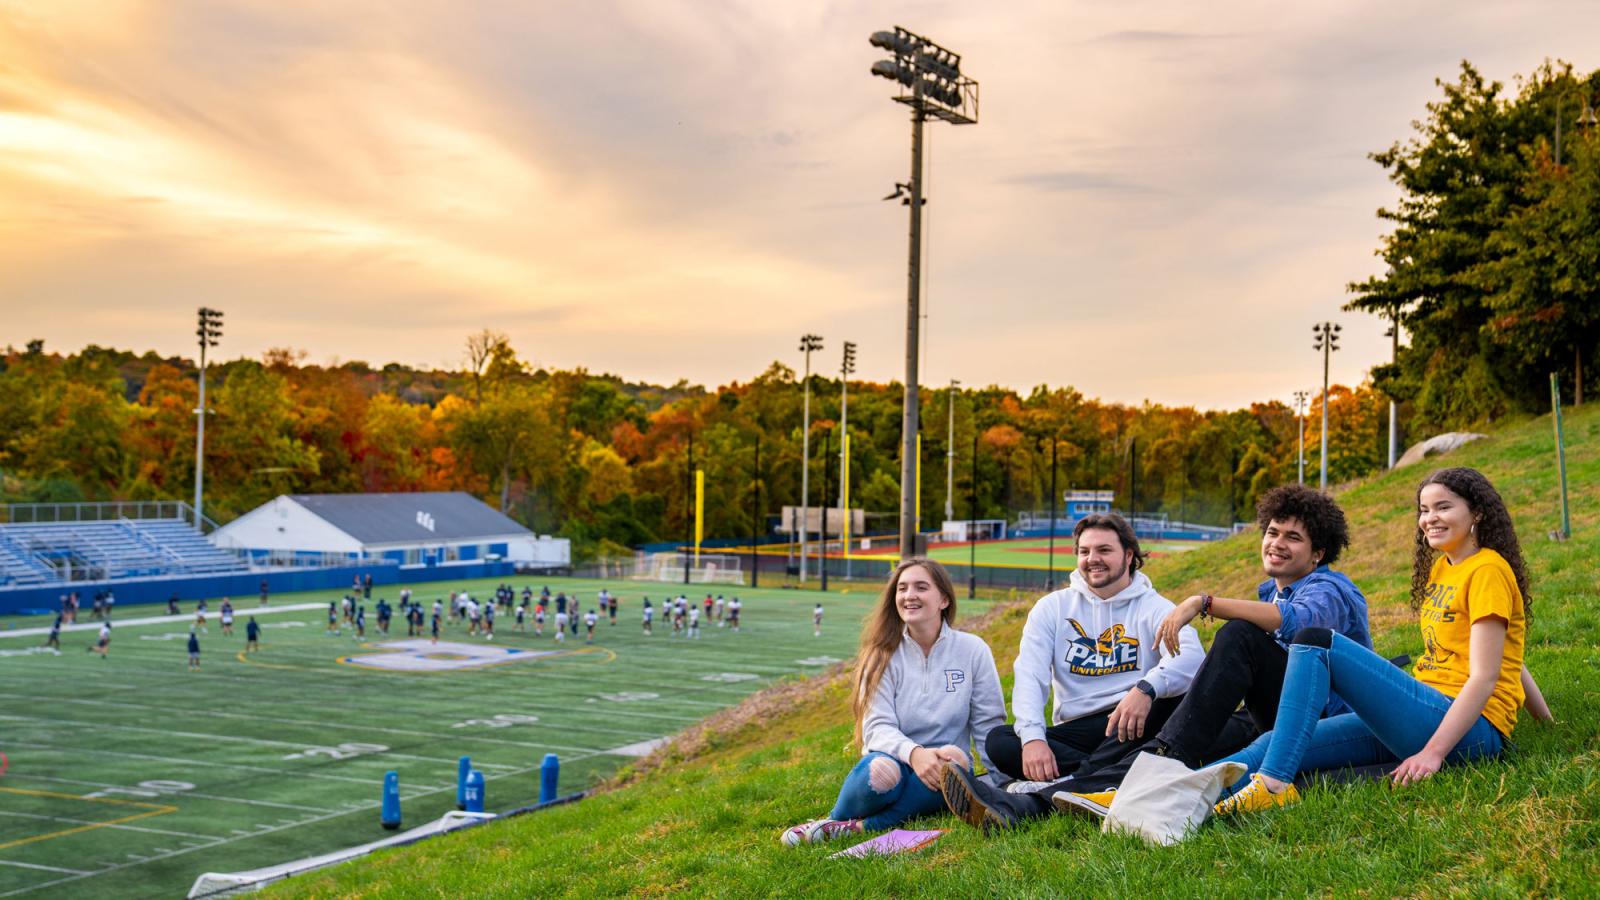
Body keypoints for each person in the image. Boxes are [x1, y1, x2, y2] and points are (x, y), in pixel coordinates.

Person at [1213, 467, 1553, 814]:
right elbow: (1510, 654)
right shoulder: (1445, 567)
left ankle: (1272, 784)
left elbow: (1485, 675)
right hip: (1420, 714)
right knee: (1276, 743)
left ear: (1477, 512)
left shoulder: (1488, 571)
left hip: (1469, 731)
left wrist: (1432, 754)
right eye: (1424, 509)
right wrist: (1546, 723)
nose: (1430, 518)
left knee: (1314, 642)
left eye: (1443, 507)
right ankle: (1174, 794)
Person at [1052, 484, 1375, 809]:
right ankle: (1091, 787)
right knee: (1193, 728)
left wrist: (1204, 603)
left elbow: (1295, 620)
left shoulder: (1332, 590)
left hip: (1328, 722)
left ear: (1318, 552)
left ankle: (1150, 774)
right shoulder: (1273, 592)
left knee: (1240, 636)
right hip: (1280, 713)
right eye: (1273, 532)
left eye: (1293, 537)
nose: (1277, 543)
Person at [939, 514, 1204, 830]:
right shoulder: (1052, 608)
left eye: (1104, 550)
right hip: (1078, 732)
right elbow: (1029, 677)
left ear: (1129, 556)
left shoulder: (1154, 606)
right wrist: (1034, 739)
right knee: (1001, 742)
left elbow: (1192, 658)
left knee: (1172, 703)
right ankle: (1099, 778)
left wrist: (1146, 688)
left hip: (1131, 723)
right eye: (1084, 551)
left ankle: (1066, 785)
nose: (1093, 559)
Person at [782, 558, 1005, 845]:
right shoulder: (881, 653)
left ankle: (862, 827)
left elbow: (989, 723)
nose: (909, 595)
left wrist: (1001, 784)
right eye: (902, 589)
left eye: (921, 587)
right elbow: (877, 727)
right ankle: (835, 819)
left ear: (944, 600)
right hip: (893, 759)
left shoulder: (973, 650)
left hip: (940, 767)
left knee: (955, 760)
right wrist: (914, 754)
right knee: (881, 772)